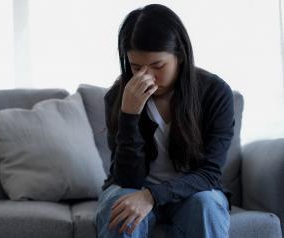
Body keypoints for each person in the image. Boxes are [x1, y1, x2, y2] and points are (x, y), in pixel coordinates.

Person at [95, 3, 235, 238]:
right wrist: (129, 115)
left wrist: (152, 195)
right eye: (136, 67)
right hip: (132, 188)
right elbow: (127, 178)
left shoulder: (215, 92)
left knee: (206, 205)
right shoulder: (118, 96)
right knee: (121, 207)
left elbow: (210, 173)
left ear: (179, 56)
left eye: (158, 65)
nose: (146, 76)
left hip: (193, 193)